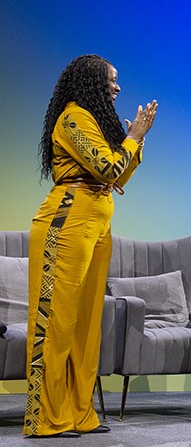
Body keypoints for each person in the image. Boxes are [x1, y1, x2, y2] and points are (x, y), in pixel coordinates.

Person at [25, 54, 157, 438]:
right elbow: (109, 168)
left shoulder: (94, 121)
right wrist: (131, 140)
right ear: (91, 82)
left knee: (86, 326)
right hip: (67, 217)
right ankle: (46, 418)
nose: (117, 87)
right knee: (57, 322)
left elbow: (121, 177)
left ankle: (80, 413)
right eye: (111, 80)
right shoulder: (72, 118)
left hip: (99, 217)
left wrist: (136, 141)